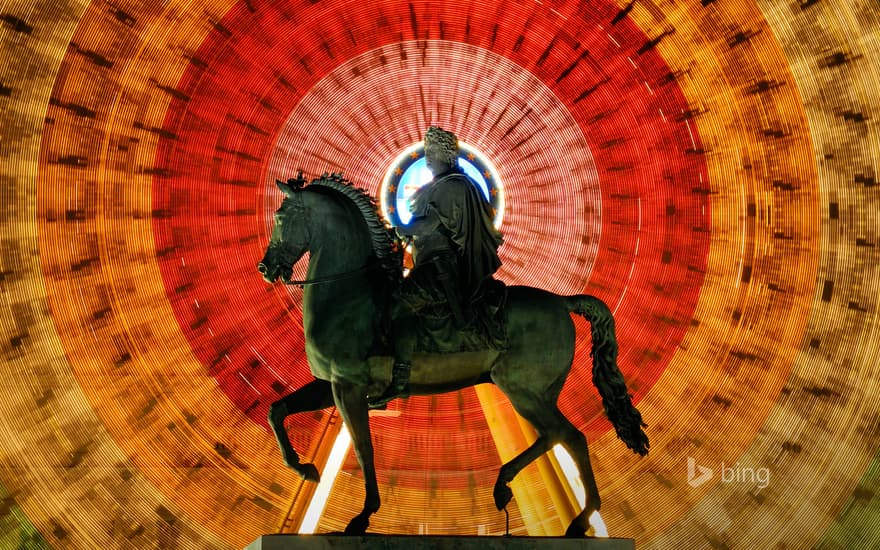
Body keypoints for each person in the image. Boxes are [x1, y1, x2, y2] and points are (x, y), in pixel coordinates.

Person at [369, 126, 504, 408]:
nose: (427, 158)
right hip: (431, 262)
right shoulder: (447, 185)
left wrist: (398, 228)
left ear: (445, 153)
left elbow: (430, 224)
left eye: (431, 152)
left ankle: (400, 380)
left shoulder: (453, 186)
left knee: (399, 304)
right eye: (426, 152)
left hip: (443, 266)